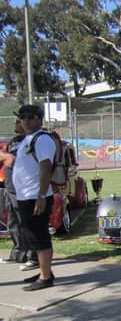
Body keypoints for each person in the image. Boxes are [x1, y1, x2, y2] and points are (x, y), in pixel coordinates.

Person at [12, 105, 56, 291]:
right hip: (26, 196)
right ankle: (44, 272)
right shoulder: (28, 139)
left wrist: (40, 196)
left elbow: (46, 167)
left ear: (40, 119)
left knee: (40, 237)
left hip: (35, 197)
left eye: (31, 117)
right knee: (33, 236)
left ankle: (45, 278)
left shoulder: (42, 139)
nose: (26, 120)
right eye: (23, 117)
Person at [0, 118, 38, 270]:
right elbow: (6, 158)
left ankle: (33, 255)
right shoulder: (14, 141)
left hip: (23, 189)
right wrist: (5, 155)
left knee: (26, 222)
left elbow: (13, 160)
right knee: (13, 222)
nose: (16, 124)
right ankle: (18, 252)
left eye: (18, 121)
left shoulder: (29, 141)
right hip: (10, 188)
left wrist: (6, 156)